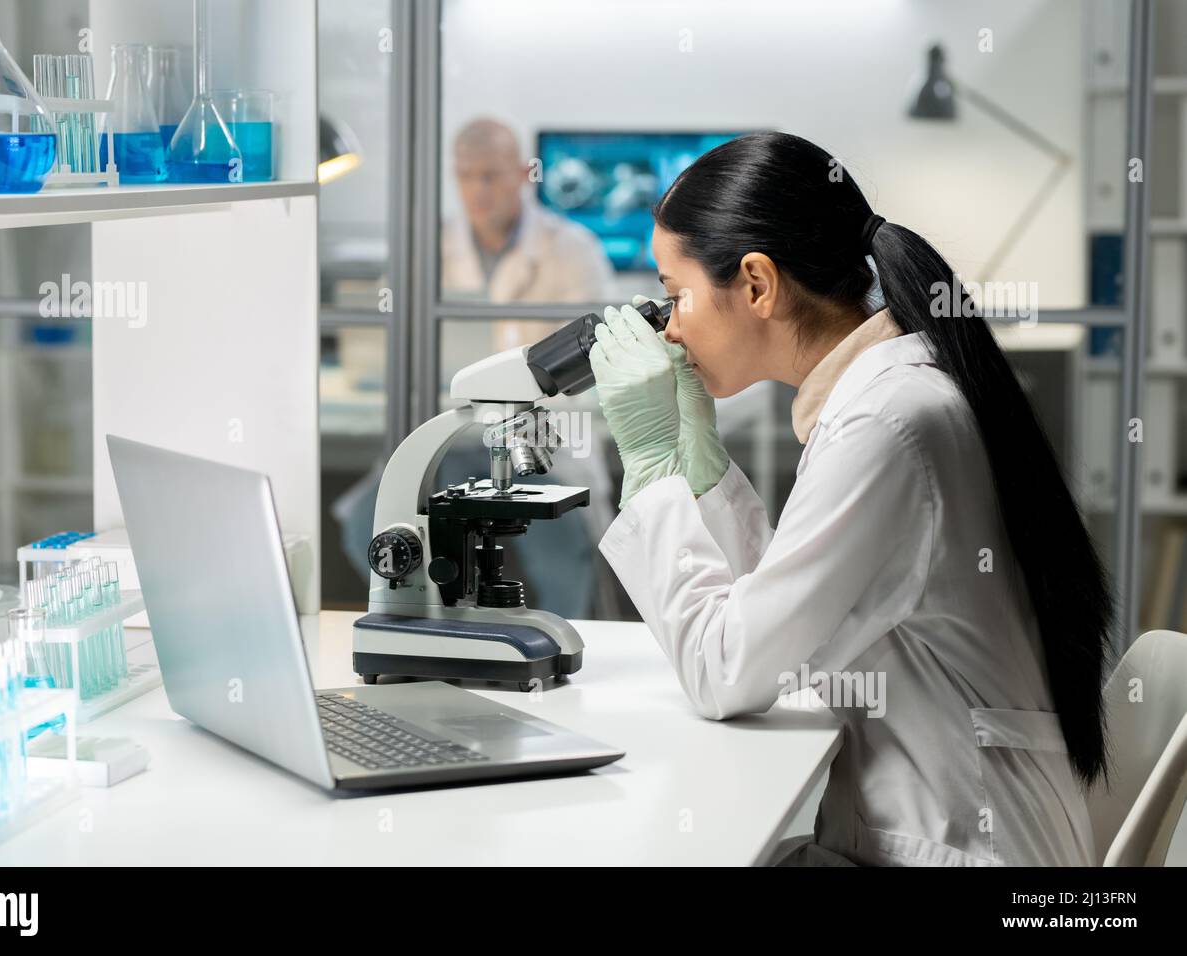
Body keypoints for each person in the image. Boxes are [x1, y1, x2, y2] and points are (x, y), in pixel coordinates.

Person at [589, 131, 1112, 867]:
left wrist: (648, 467)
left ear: (758, 284)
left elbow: (725, 672)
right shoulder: (892, 395)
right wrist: (703, 473)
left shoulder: (888, 423)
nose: (670, 329)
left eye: (677, 298)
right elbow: (784, 621)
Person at [442, 117, 613, 314]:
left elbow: (594, 336)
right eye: (465, 175)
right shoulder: (432, 248)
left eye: (490, 176)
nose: (477, 190)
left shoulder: (576, 249)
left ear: (524, 174)